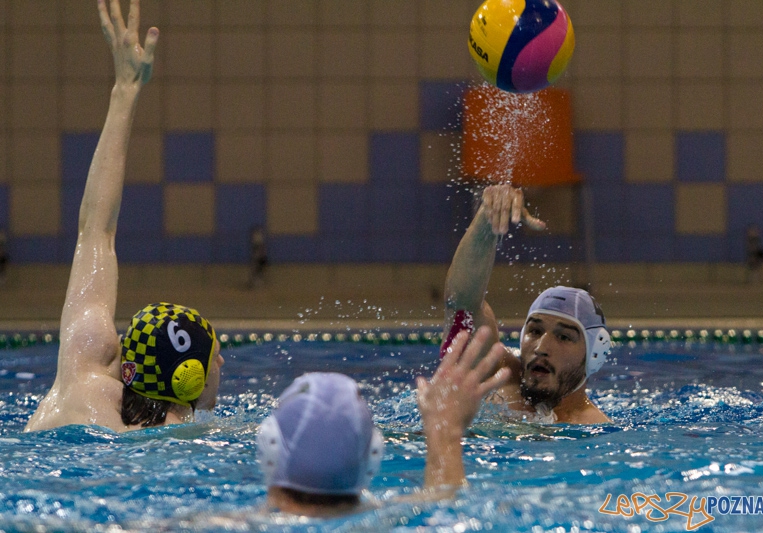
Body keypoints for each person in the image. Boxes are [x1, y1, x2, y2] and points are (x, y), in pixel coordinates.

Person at [25, 0, 224, 433]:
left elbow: (96, 230)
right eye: (213, 357)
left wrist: (126, 89)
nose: (221, 362)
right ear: (189, 378)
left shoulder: (80, 379)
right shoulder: (189, 439)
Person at [255, 327, 510, 517]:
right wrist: (445, 431)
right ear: (373, 455)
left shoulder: (225, 526)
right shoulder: (395, 519)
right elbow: (447, 504)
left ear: (269, 448)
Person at [442, 184, 611, 424]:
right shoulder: (499, 374)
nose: (542, 346)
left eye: (563, 337)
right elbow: (461, 303)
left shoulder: (595, 431)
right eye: (535, 330)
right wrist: (486, 221)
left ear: (594, 354)